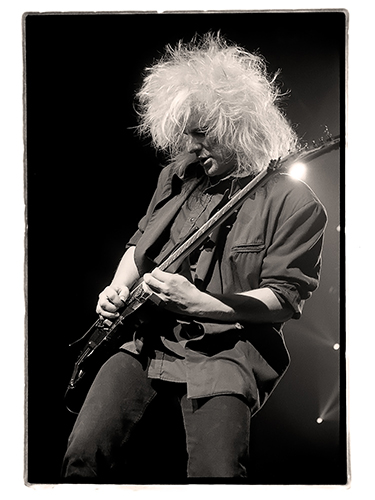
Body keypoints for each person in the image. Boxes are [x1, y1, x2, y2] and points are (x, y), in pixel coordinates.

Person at [62, 32, 327, 482]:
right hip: (144, 338)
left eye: (203, 135)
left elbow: (285, 298)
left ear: (237, 128)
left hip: (227, 351)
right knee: (82, 457)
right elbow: (139, 243)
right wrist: (117, 287)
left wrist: (199, 303)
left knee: (217, 474)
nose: (191, 146)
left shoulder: (296, 202)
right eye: (187, 134)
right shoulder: (176, 175)